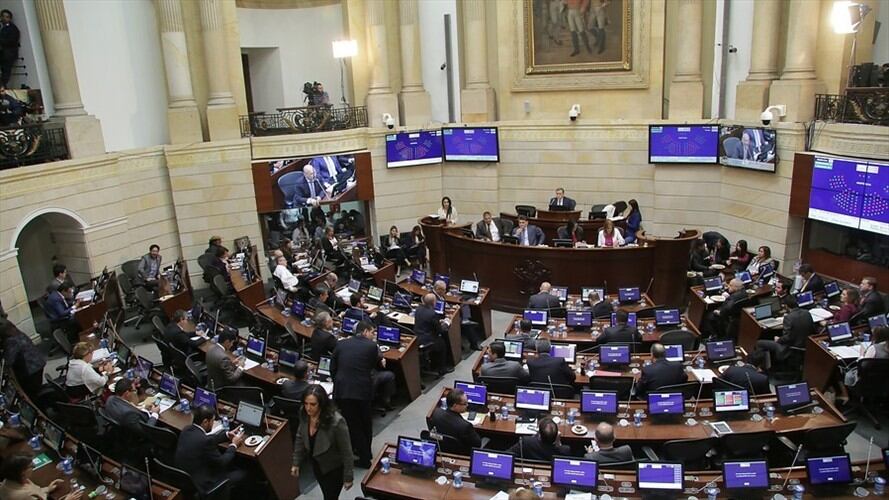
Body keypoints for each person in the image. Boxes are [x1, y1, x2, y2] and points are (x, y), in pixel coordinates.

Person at [331, 321, 396, 467]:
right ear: (365, 331)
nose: (373, 335)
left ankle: (363, 452)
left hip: (344, 391)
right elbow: (373, 366)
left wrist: (340, 383)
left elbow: (333, 368)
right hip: (363, 390)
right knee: (365, 423)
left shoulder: (341, 344)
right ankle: (366, 457)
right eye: (372, 332)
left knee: (353, 424)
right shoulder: (372, 346)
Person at [291, 385, 353, 499]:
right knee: (326, 493)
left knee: (330, 496)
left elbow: (347, 451)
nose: (308, 408)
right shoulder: (304, 413)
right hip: (317, 465)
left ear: (322, 404)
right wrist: (296, 462)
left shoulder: (336, 422)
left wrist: (348, 477)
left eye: (313, 404)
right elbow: (300, 437)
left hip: (333, 469)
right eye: (306, 403)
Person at [175, 405, 247, 494]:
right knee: (243, 473)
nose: (213, 423)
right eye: (213, 421)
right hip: (204, 484)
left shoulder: (187, 430)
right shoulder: (205, 441)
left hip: (188, 478)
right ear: (205, 422)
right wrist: (233, 445)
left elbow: (207, 438)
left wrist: (227, 435)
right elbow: (222, 462)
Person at [753, 296, 814, 370]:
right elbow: (812, 329)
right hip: (805, 346)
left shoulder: (789, 318)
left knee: (759, 343)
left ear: (786, 306)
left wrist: (778, 339)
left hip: (790, 348)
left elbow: (787, 338)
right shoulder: (807, 313)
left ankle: (764, 369)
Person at [0, 452, 84, 500]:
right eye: (31, 466)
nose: (34, 467)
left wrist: (47, 489)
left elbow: (33, 491)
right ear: (23, 472)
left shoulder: (8, 481)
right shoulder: (24, 496)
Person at [2, 317, 46, 398]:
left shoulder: (11, 341)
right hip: (37, 362)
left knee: (30, 393)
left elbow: (8, 361)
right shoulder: (17, 333)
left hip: (30, 369)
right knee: (35, 391)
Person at [428, 389, 482, 454]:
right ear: (455, 405)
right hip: (462, 454)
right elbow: (478, 444)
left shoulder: (436, 413)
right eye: (465, 403)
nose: (467, 405)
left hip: (442, 450)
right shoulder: (465, 426)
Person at [415, 294, 453, 375]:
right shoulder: (432, 313)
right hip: (427, 340)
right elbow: (440, 330)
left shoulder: (418, 309)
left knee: (439, 341)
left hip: (417, 338)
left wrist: (438, 321)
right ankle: (442, 369)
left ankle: (433, 363)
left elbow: (428, 322)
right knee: (442, 344)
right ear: (433, 302)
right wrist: (447, 323)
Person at [0, 9, 19, 88]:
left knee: (6, 71)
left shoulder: (13, 29)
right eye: (3, 16)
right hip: (3, 53)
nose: (5, 18)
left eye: (7, 17)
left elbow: (12, 41)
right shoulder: (2, 27)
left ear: (10, 18)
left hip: (8, 54)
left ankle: (3, 86)